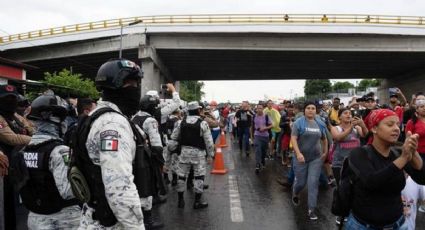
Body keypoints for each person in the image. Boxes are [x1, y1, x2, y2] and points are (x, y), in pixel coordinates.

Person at [75, 59, 145, 229]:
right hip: (110, 222)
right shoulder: (113, 124)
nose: (136, 89)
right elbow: (119, 188)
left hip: (93, 216)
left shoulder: (95, 116)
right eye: (133, 84)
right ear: (119, 85)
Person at [345, 109, 425, 230]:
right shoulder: (359, 153)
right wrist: (404, 158)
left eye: (398, 125)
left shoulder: (397, 152)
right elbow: (371, 182)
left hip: (398, 224)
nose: (396, 128)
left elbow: (422, 178)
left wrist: (414, 153)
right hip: (363, 226)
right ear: (374, 128)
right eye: (390, 124)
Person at [13, 92, 81, 229]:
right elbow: (68, 192)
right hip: (64, 220)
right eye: (64, 119)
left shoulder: (23, 150)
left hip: (34, 218)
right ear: (56, 121)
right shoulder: (59, 151)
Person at [168, 101, 215, 209]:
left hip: (184, 153)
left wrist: (175, 148)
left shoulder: (181, 122)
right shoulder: (203, 123)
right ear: (198, 110)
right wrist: (210, 155)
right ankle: (197, 202)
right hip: (198, 154)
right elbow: (209, 141)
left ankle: (180, 200)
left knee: (182, 176)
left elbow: (174, 137)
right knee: (199, 176)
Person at [0, 84, 34, 230]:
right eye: (6, 99)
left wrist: (34, 134)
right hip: (4, 169)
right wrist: (36, 139)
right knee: (6, 205)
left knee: (19, 205)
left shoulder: (16, 116)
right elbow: (11, 138)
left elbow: (33, 128)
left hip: (19, 167)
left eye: (13, 98)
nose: (11, 102)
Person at [132, 93, 166, 230]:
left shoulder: (134, 117)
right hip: (147, 157)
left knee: (138, 186)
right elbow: (157, 144)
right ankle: (148, 221)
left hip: (134, 156)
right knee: (148, 187)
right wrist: (161, 162)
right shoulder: (150, 120)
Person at [330, 108, 367, 225]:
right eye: (345, 113)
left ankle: (353, 212)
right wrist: (350, 128)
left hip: (356, 164)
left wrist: (362, 124)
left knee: (356, 188)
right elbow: (338, 137)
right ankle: (340, 213)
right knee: (343, 189)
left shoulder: (357, 128)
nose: (348, 115)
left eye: (350, 113)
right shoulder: (336, 128)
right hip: (339, 164)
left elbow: (366, 135)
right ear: (339, 117)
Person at [291, 102, 328, 220]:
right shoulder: (299, 122)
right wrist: (298, 153)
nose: (311, 110)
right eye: (308, 108)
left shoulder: (320, 123)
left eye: (313, 108)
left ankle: (311, 209)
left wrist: (325, 152)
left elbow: (324, 138)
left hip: (315, 158)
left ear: (316, 110)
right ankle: (295, 193)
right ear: (304, 110)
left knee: (313, 183)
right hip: (301, 158)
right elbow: (293, 138)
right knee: (301, 183)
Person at [252, 103, 272, 174]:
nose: (259, 110)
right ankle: (257, 164)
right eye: (258, 108)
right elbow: (252, 127)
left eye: (261, 108)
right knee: (258, 149)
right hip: (257, 135)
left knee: (263, 151)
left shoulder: (266, 116)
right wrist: (251, 137)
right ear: (256, 109)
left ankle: (263, 161)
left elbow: (271, 125)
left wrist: (265, 128)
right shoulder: (254, 116)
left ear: (263, 109)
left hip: (265, 136)